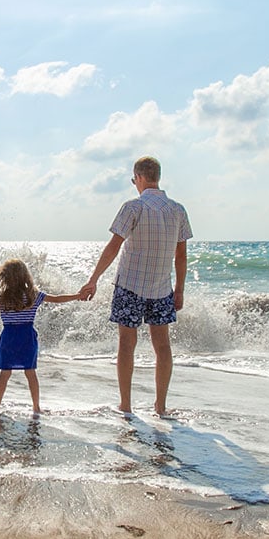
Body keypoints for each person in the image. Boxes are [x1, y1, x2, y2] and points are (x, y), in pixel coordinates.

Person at [79, 156, 192, 416]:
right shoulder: (178, 210)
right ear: (158, 177)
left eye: (134, 180)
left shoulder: (133, 207)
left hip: (130, 285)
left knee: (126, 344)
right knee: (162, 346)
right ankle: (160, 406)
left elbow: (113, 247)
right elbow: (181, 256)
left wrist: (93, 279)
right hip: (162, 288)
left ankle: (126, 405)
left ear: (139, 177)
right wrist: (180, 289)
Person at [0, 259, 80, 414]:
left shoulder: (1, 297)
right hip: (27, 338)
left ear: (5, 278)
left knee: (5, 373)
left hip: (8, 338)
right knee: (30, 373)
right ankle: (36, 407)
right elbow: (57, 299)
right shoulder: (33, 295)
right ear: (25, 276)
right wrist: (77, 296)